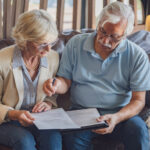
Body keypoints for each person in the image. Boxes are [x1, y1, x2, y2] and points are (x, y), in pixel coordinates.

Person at [43, 2, 150, 150]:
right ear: (98, 23)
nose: (105, 40)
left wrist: (116, 117)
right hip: (82, 113)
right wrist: (55, 85)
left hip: (120, 115)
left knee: (139, 130)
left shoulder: (137, 56)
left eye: (114, 37)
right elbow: (65, 81)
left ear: (125, 34)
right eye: (102, 31)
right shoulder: (75, 44)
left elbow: (138, 100)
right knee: (72, 141)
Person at [0, 9, 61, 150]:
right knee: (24, 141)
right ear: (24, 39)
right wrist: (15, 114)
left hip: (39, 118)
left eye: (52, 42)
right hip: (7, 120)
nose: (48, 49)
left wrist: (48, 103)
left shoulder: (53, 57)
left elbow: (54, 90)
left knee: (53, 136)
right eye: (41, 44)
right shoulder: (1, 60)